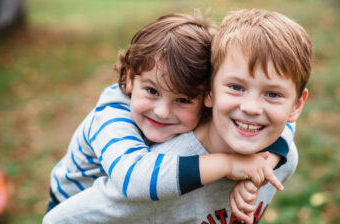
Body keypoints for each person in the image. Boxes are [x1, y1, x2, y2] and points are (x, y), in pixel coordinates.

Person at [43, 8, 312, 224]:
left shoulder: (248, 127)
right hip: (79, 198)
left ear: (206, 95)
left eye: (183, 99)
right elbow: (135, 179)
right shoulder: (112, 118)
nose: (162, 110)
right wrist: (231, 165)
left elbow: (282, 123)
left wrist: (265, 163)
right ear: (128, 79)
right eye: (151, 91)